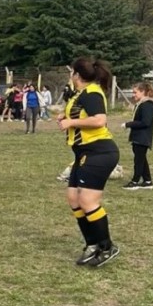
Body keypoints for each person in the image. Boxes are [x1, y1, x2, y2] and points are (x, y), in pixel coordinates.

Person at [57, 57, 120, 267]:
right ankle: (91, 244)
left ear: (76, 74)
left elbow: (100, 120)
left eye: (71, 72)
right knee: (73, 198)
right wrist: (65, 117)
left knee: (87, 201)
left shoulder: (92, 92)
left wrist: (71, 121)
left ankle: (107, 245)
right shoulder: (81, 94)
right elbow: (81, 114)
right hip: (83, 153)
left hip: (99, 152)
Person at [122, 82, 153, 190]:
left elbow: (145, 122)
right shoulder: (142, 104)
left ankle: (135, 181)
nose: (133, 95)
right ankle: (147, 181)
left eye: (135, 92)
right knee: (142, 159)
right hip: (138, 137)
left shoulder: (147, 105)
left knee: (138, 160)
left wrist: (128, 124)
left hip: (142, 138)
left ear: (143, 92)